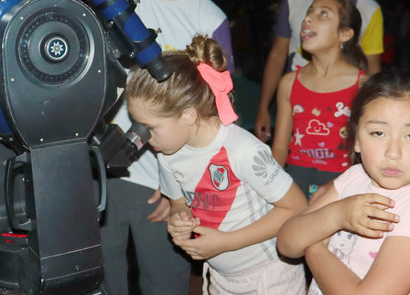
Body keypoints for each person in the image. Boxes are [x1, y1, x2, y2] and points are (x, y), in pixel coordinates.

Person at [0, 0, 234, 293]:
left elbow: (219, 113)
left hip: (162, 187)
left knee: (166, 283)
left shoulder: (210, 20)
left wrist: (185, 188)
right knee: (103, 281)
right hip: (97, 170)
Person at [126, 36, 307, 294]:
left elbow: (297, 208)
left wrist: (227, 242)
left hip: (269, 275)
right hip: (220, 276)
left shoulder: (243, 150)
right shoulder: (168, 152)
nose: (143, 138)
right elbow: (179, 203)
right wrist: (179, 221)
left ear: (188, 114)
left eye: (150, 128)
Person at [277, 70, 410, 294]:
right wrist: (338, 214)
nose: (393, 152)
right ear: (356, 140)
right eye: (378, 133)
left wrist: (314, 247)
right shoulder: (355, 176)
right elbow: (287, 242)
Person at [255, 0, 384, 142]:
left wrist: (375, 118)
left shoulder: (369, 8)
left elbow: (373, 68)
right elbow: (277, 55)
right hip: (295, 105)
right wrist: (264, 106)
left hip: (342, 110)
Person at [271, 0, 368, 197]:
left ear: (345, 34)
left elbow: (367, 153)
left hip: (342, 183)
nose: (307, 19)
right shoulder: (289, 83)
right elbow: (279, 149)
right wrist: (273, 193)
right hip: (295, 179)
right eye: (309, 12)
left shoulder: (363, 86)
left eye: (323, 13)